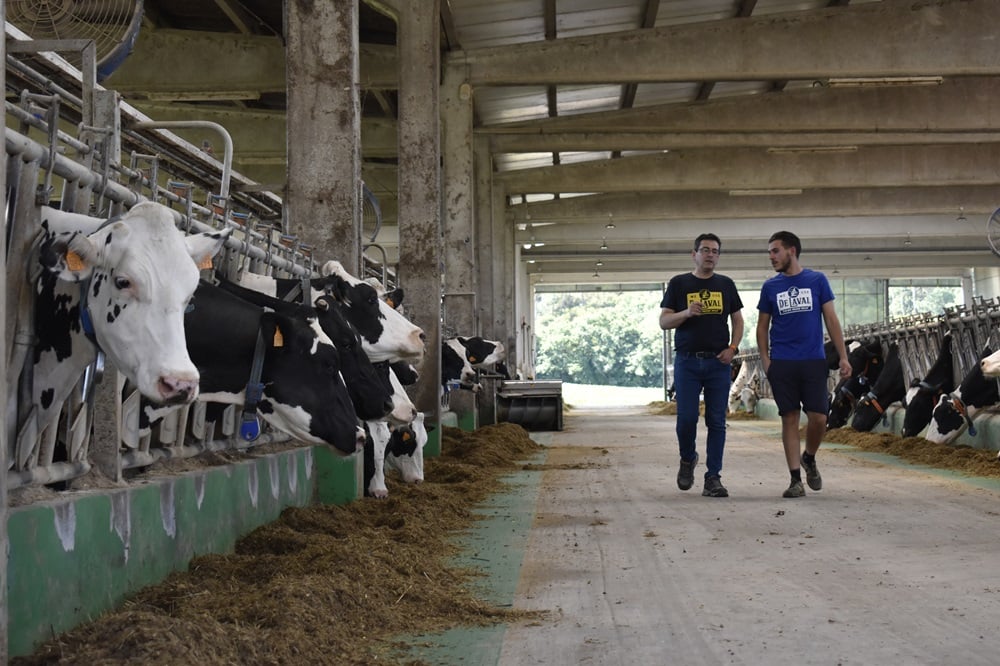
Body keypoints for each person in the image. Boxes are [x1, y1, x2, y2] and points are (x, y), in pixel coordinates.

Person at [756, 231, 851, 498]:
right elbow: (762, 327)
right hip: (782, 362)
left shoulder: (817, 280)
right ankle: (795, 479)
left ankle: (809, 457)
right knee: (789, 418)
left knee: (819, 418)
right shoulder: (770, 287)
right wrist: (766, 361)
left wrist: (843, 356)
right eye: (770, 252)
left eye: (775, 251)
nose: (772, 257)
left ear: (792, 251)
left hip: (813, 360)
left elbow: (831, 320)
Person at [660, 233, 744, 498]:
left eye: (715, 251)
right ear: (694, 254)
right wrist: (686, 313)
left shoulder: (726, 284)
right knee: (686, 419)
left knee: (717, 421)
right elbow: (664, 322)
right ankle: (688, 458)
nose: (710, 255)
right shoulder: (679, 283)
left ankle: (713, 478)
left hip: (718, 362)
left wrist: (733, 348)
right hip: (687, 361)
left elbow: (738, 320)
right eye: (705, 250)